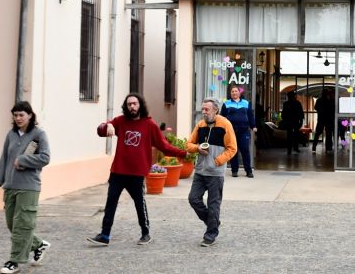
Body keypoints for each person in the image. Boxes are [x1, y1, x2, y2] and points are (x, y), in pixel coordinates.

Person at [87, 93, 186, 247]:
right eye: (129, 104)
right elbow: (101, 131)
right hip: (118, 171)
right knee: (111, 202)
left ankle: (145, 233)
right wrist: (108, 124)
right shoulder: (120, 121)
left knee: (139, 204)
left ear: (140, 105)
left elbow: (164, 145)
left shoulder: (149, 124)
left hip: (136, 173)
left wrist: (183, 153)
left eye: (134, 103)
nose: (132, 106)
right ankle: (105, 235)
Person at [0, 101, 51, 274]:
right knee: (12, 224)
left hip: (29, 187)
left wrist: (23, 160)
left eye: (21, 115)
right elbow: (4, 159)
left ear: (30, 115)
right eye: (15, 115)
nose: (18, 118)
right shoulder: (11, 134)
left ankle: (14, 262)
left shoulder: (39, 134)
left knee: (22, 225)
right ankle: (39, 245)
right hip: (10, 186)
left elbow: (45, 157)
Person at [186, 98, 237, 247]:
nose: (204, 112)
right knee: (193, 199)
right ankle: (212, 222)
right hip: (200, 171)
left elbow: (232, 148)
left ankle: (210, 235)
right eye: (203, 109)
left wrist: (218, 161)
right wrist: (197, 149)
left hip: (215, 172)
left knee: (213, 204)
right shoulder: (200, 125)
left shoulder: (225, 124)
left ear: (215, 110)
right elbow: (189, 144)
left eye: (207, 109)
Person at [220, 84, 257, 177]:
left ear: (239, 93)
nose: (234, 93)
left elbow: (250, 116)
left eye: (236, 91)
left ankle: (248, 171)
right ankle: (234, 170)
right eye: (232, 91)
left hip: (244, 130)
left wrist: (253, 126)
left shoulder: (246, 103)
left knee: (245, 150)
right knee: (233, 150)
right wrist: (221, 128)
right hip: (231, 131)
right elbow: (222, 117)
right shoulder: (226, 103)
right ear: (230, 93)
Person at [281, 90, 304, 155]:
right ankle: (295, 148)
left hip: (289, 122)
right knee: (295, 135)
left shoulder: (286, 104)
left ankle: (290, 149)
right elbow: (300, 113)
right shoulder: (297, 103)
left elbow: (284, 114)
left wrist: (284, 120)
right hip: (295, 121)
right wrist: (301, 121)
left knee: (290, 136)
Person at [312, 88, 335, 153]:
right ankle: (328, 148)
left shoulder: (319, 100)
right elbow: (333, 110)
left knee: (317, 133)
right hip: (328, 120)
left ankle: (314, 146)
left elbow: (315, 108)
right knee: (328, 134)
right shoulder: (330, 101)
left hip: (321, 119)